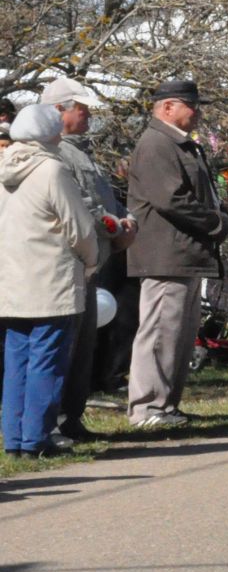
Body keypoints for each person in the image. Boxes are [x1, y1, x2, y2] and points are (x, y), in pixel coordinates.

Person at [125, 78, 228, 429]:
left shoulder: (181, 144)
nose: (198, 112)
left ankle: (166, 406)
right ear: (168, 107)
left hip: (185, 253)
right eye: (192, 105)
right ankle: (146, 408)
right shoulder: (157, 142)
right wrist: (217, 224)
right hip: (165, 254)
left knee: (178, 336)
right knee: (159, 332)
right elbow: (170, 199)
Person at [0, 105, 100, 458]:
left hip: (11, 280)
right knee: (48, 361)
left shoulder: (3, 167)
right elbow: (80, 228)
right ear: (47, 135)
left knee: (16, 362)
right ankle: (37, 439)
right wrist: (92, 260)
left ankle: (13, 440)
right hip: (51, 280)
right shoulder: (51, 170)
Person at [42, 76, 135, 443]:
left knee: (84, 347)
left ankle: (72, 416)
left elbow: (106, 200)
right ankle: (53, 420)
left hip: (94, 259)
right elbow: (78, 205)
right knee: (64, 345)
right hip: (68, 261)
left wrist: (126, 221)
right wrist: (115, 227)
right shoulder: (55, 152)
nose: (88, 115)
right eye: (80, 108)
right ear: (57, 111)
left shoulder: (82, 151)